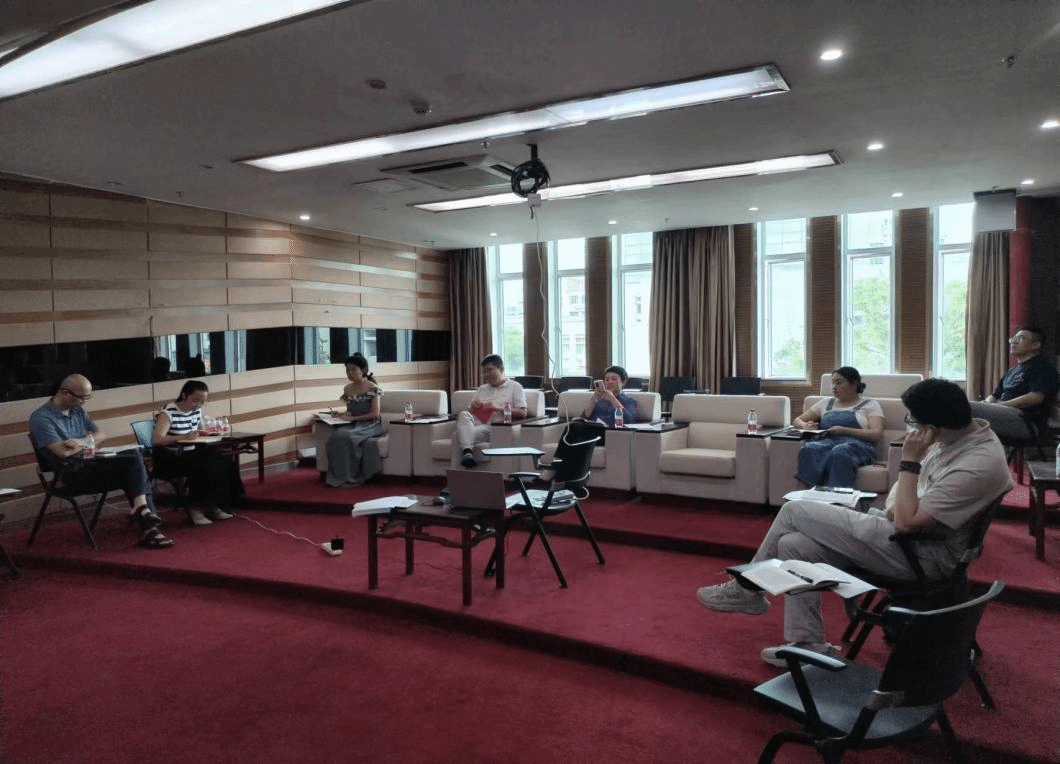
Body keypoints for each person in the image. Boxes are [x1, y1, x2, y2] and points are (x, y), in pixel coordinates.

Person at [695, 378, 1011, 667]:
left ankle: (746, 588)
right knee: (794, 544)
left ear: (936, 424)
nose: (911, 427)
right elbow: (896, 502)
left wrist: (909, 461)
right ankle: (808, 642)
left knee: (794, 510)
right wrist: (900, 504)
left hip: (922, 555)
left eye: (914, 420)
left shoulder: (976, 463)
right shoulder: (952, 439)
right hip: (901, 534)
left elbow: (905, 521)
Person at [28, 373, 173, 549]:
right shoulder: (41, 418)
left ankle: (144, 515)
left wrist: (81, 441)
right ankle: (146, 518)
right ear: (65, 393)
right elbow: (62, 452)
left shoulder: (78, 411)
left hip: (92, 464)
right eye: (82, 397)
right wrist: (88, 442)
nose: (85, 401)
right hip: (72, 474)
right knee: (134, 466)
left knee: (133, 460)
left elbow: (101, 435)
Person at [152, 380, 244, 525]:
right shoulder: (168, 413)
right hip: (171, 457)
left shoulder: (196, 411)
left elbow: (200, 432)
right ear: (184, 395)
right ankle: (193, 507)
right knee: (202, 465)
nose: (198, 405)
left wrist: (212, 433)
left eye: (202, 402)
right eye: (195, 400)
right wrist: (182, 437)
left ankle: (215, 504)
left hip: (192, 453)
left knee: (225, 462)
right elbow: (157, 440)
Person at [792, 367, 884, 489]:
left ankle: (837, 497)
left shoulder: (870, 405)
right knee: (810, 448)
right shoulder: (826, 403)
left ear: (854, 384)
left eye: (839, 383)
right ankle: (805, 494)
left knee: (840, 451)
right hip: (826, 442)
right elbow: (797, 420)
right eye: (833, 383)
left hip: (858, 446)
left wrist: (844, 430)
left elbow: (876, 434)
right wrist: (805, 425)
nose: (834, 387)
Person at [969, 326, 1059, 447]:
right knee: (963, 409)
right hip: (1004, 413)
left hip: (1025, 421)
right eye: (1013, 339)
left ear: (1036, 345)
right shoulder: (1012, 370)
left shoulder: (1042, 368)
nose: (1013, 342)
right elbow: (995, 395)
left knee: (968, 408)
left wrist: (999, 406)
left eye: (1020, 338)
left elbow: (1036, 397)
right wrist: (986, 403)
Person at [323, 353, 385, 487]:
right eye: (347, 370)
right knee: (335, 437)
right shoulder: (347, 389)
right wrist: (340, 415)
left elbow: (374, 414)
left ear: (363, 370)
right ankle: (339, 476)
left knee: (347, 436)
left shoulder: (372, 388)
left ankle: (352, 476)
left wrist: (353, 418)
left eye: (353, 369)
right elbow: (350, 411)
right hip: (354, 423)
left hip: (371, 424)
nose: (349, 373)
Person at [455, 354, 527, 468]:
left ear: (501, 368)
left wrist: (499, 408)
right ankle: (467, 453)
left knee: (459, 435)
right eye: (484, 372)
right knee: (463, 414)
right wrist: (473, 406)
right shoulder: (482, 389)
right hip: (476, 424)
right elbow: (470, 412)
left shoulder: (515, 387)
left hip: (494, 428)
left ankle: (466, 453)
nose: (487, 374)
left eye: (489, 370)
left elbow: (522, 413)